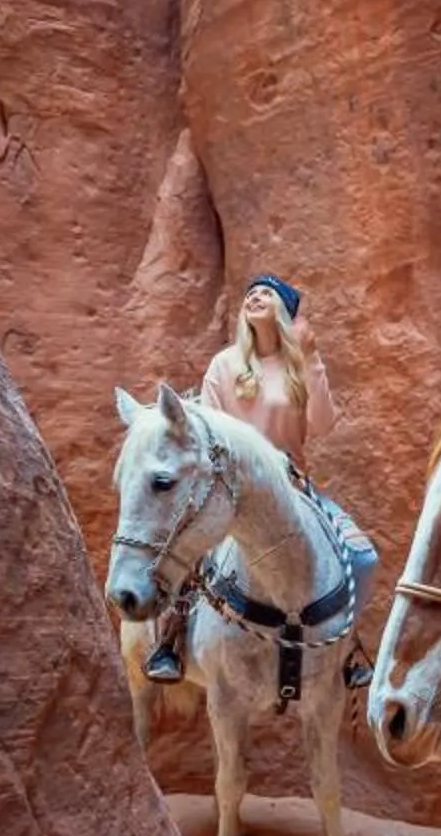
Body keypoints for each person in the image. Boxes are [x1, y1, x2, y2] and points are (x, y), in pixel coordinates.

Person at [142, 274, 379, 686]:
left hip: (292, 485)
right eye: (251, 292)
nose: (255, 296)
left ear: (284, 310)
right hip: (232, 486)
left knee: (361, 557)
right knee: (187, 548)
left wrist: (313, 358)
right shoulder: (226, 363)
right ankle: (171, 641)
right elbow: (210, 426)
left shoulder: (297, 364)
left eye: (266, 293)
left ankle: (348, 648)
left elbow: (323, 424)